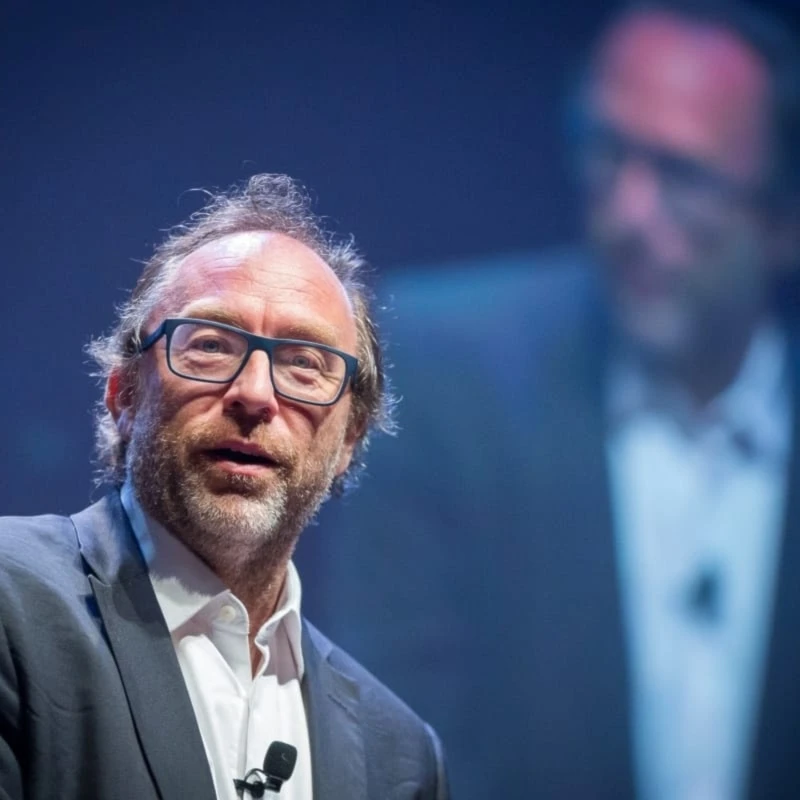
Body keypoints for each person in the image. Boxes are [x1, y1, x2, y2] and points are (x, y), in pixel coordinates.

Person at [306, 1, 800, 798]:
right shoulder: (443, 376)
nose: (629, 214)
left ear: (783, 219)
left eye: (682, 177)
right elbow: (387, 745)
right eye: (608, 155)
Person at [0, 174, 448, 800]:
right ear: (123, 394)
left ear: (350, 438)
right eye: (210, 346)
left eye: (305, 364)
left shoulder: (398, 752)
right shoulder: (10, 602)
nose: (255, 395)